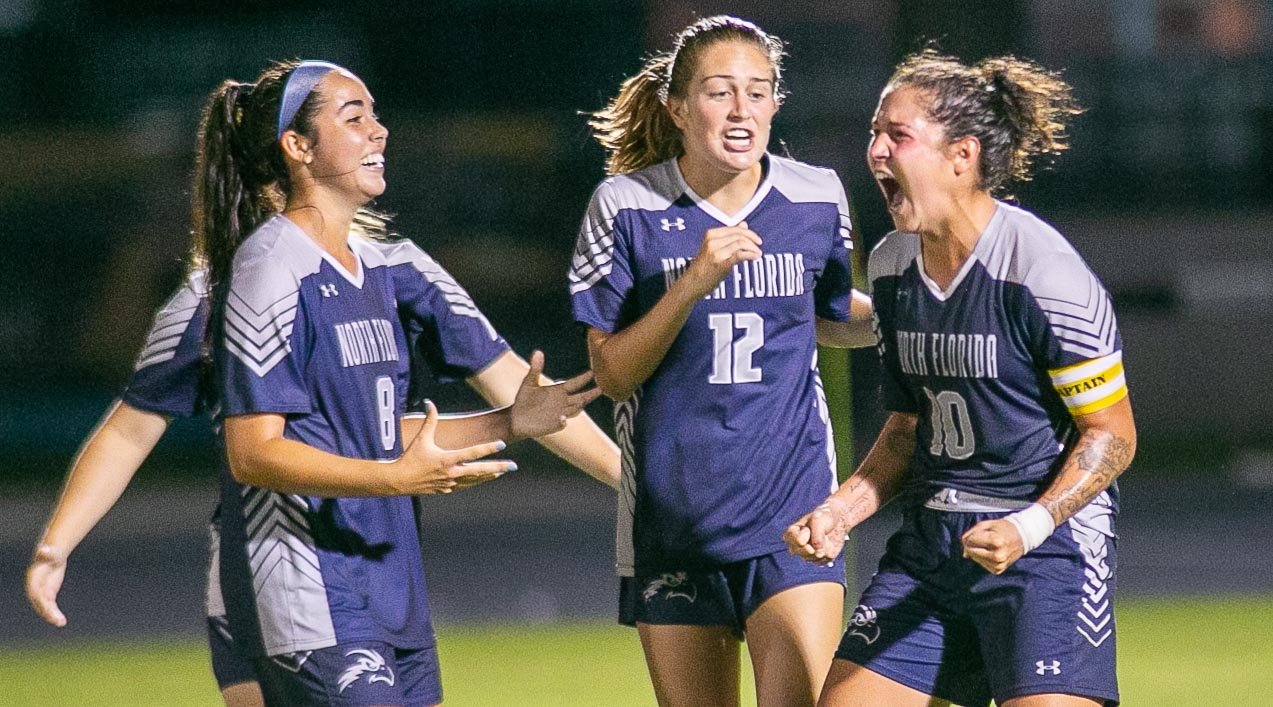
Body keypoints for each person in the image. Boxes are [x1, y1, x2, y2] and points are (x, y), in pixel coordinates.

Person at [784, 49, 1136, 707]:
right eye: (873, 132)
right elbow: (907, 428)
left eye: (898, 134)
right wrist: (841, 509)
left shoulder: (1040, 271)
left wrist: (1028, 525)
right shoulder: (890, 267)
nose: (876, 151)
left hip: (1045, 557)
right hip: (930, 550)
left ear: (961, 156)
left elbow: (1111, 434)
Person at [570, 16, 875, 707]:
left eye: (757, 91)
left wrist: (910, 316)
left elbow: (829, 318)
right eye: (718, 91)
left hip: (791, 514)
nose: (741, 109)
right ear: (677, 107)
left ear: (775, 103)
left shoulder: (814, 193)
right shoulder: (624, 207)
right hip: (674, 522)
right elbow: (612, 374)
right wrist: (690, 283)